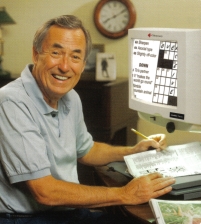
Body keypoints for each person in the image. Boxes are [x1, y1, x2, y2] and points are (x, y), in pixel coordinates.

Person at [0, 15, 175, 224]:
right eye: (56, 53)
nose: (65, 66)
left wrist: (133, 151)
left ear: (83, 65)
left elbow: (87, 150)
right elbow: (44, 191)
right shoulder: (11, 102)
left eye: (75, 57)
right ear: (36, 54)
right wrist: (125, 194)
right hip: (24, 219)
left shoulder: (70, 97)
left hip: (66, 213)